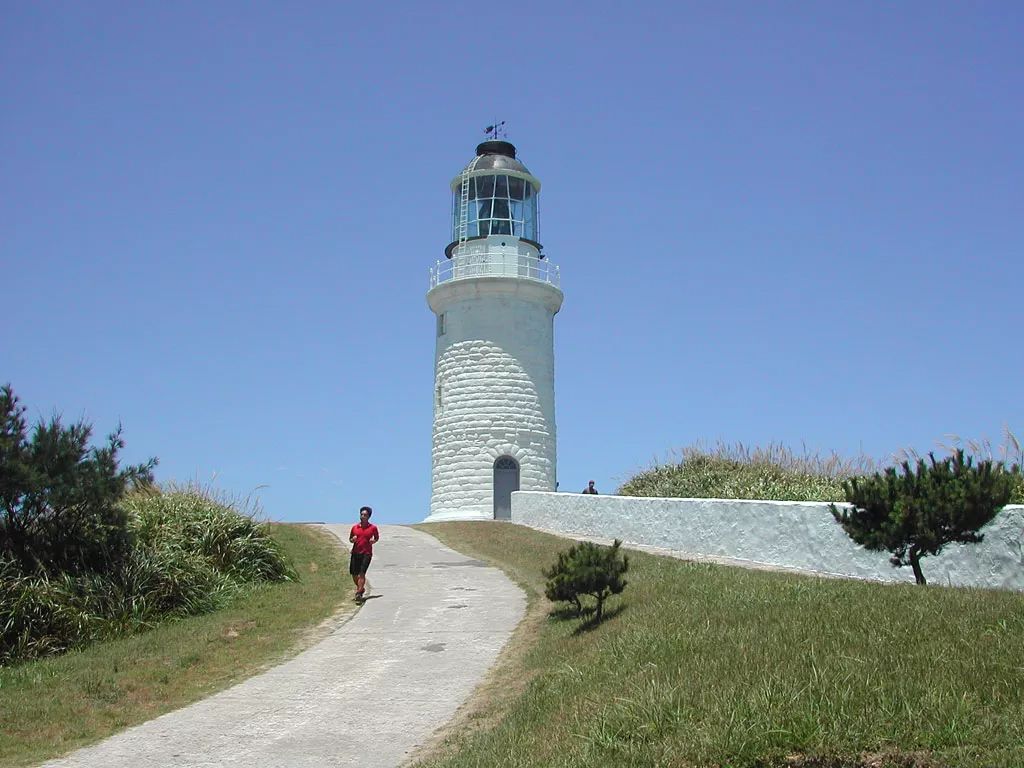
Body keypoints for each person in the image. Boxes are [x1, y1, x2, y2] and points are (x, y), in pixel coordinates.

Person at [349, 505, 379, 601]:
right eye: (361, 514)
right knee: (354, 574)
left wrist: (373, 541)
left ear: (369, 516)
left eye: (365, 515)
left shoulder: (373, 528)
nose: (362, 516)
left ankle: (358, 592)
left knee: (362, 573)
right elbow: (350, 539)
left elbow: (376, 537)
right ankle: (361, 588)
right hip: (355, 552)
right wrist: (352, 540)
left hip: (366, 553)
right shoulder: (355, 527)